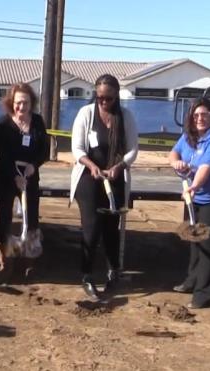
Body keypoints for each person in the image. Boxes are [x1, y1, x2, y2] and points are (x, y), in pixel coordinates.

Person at [70, 74, 138, 300]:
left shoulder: (125, 117)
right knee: (91, 227)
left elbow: (132, 149)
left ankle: (113, 271)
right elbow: (77, 149)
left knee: (111, 227)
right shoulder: (86, 114)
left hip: (115, 176)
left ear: (116, 95)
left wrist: (120, 166)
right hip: (90, 177)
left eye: (107, 98)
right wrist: (91, 166)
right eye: (99, 98)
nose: (103, 102)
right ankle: (87, 275)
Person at [168, 98, 210, 309]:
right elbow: (173, 152)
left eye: (205, 114)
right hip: (194, 197)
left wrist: (194, 186)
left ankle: (203, 295)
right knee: (191, 236)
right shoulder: (188, 137)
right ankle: (191, 281)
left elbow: (205, 168)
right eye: (196, 115)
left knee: (206, 242)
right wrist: (175, 162)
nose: (200, 118)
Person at [0, 83, 48, 278]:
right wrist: (15, 176)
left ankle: (28, 261)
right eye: (18, 103)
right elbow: (2, 155)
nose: (21, 107)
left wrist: (34, 165)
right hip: (7, 176)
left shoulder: (38, 122)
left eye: (25, 103)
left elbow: (44, 150)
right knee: (5, 219)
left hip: (30, 176)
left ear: (31, 102)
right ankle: (6, 263)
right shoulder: (3, 124)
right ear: (11, 102)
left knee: (31, 217)